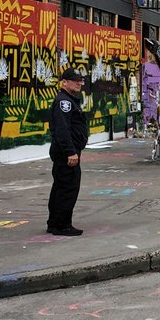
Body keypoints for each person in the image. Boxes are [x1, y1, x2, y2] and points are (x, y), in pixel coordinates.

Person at [47, 68, 88, 236]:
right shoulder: (64, 102)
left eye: (80, 80)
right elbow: (63, 130)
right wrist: (71, 152)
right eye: (75, 80)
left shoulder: (68, 101)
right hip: (67, 154)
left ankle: (54, 223)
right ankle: (62, 225)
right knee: (68, 188)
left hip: (65, 152)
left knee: (60, 187)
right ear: (64, 82)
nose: (79, 83)